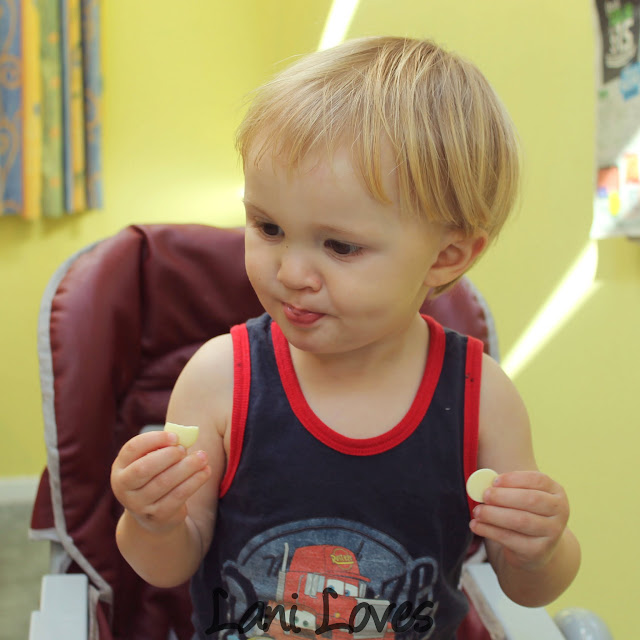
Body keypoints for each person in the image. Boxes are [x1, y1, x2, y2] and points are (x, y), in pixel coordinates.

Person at [111, 36, 580, 639]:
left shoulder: (481, 397)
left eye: (339, 246)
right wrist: (150, 519)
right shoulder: (219, 377)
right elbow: (168, 566)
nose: (291, 272)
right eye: (269, 227)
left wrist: (541, 548)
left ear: (446, 256)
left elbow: (525, 588)